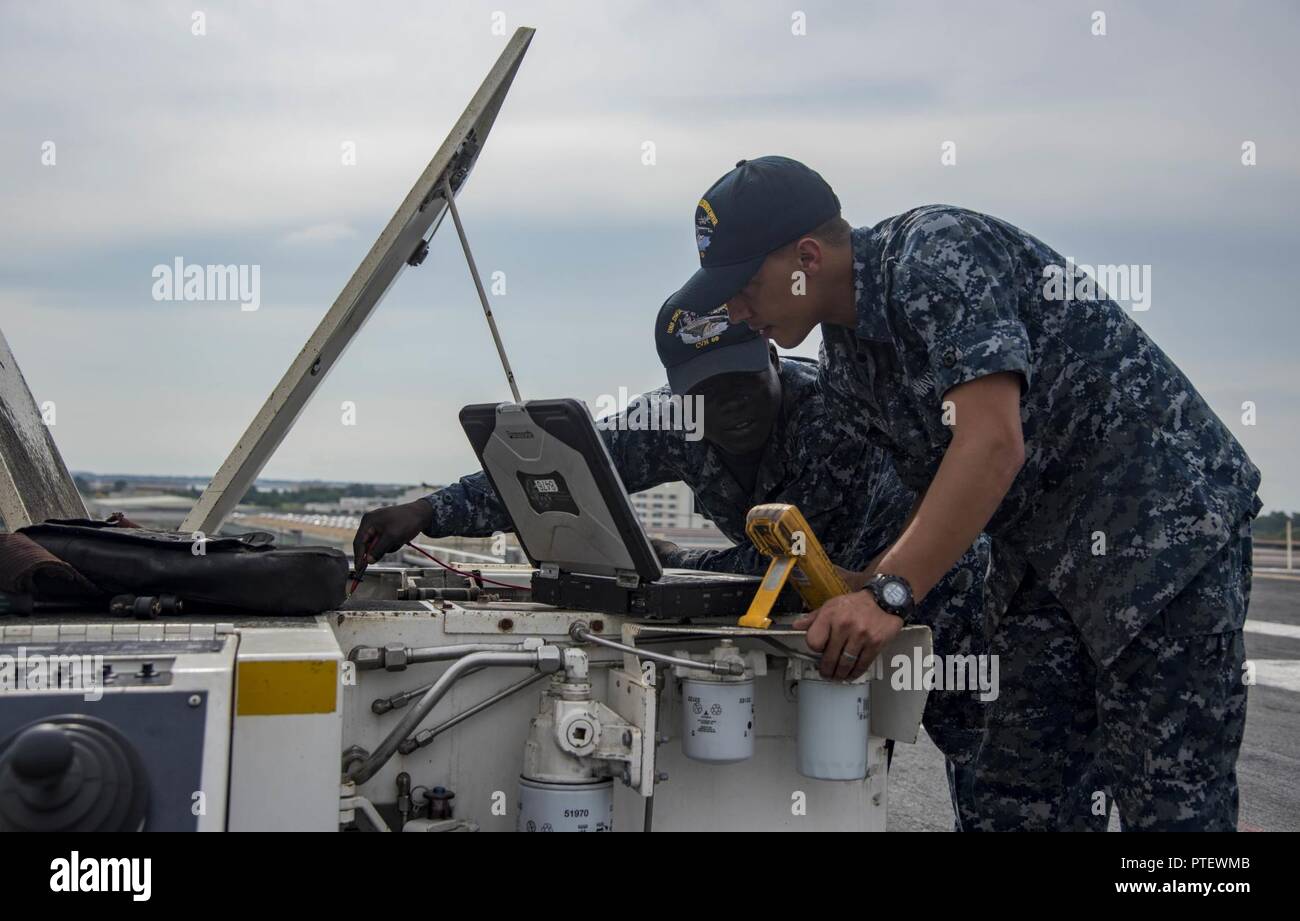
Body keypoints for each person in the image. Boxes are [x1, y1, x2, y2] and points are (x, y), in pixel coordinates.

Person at [661, 155, 1261, 831]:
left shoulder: (934, 254)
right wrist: (857, 581)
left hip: (1162, 540)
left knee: (1173, 809)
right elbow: (938, 494)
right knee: (1014, 797)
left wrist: (890, 593)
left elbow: (991, 442)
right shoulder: (847, 364)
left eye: (744, 285)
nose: (737, 309)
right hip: (1041, 566)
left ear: (807, 255)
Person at [353, 303, 992, 828]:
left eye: (743, 379)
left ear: (772, 355)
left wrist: (681, 562)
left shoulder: (834, 417)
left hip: (938, 586)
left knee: (988, 761)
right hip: (825, 613)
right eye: (707, 391)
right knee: (851, 771)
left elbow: (801, 562)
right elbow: (570, 465)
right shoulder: (672, 421)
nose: (730, 404)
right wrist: (430, 510)